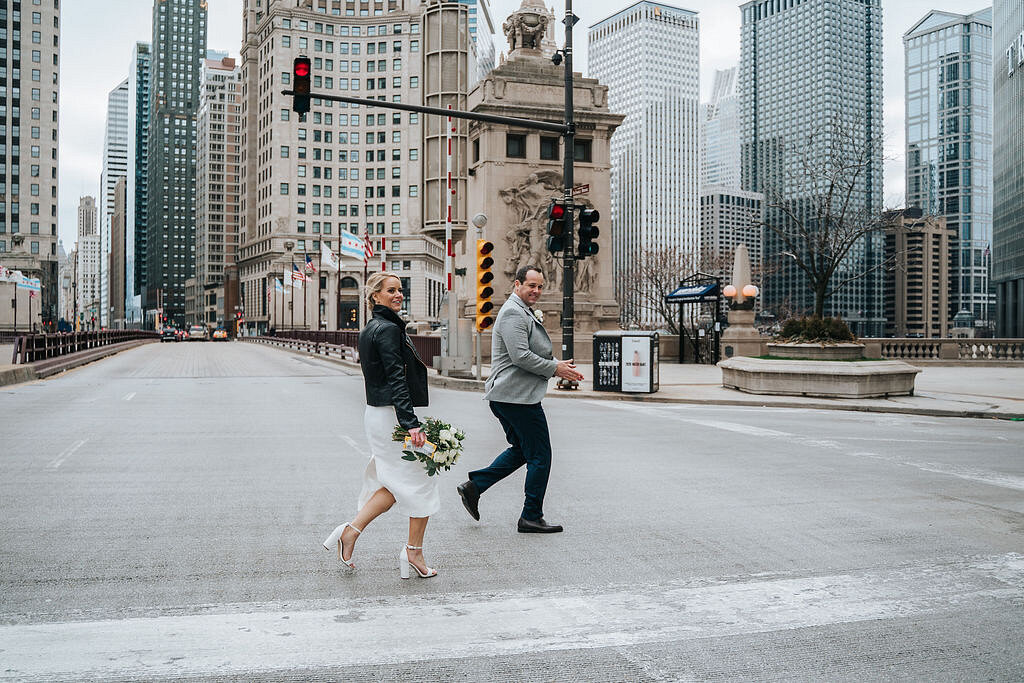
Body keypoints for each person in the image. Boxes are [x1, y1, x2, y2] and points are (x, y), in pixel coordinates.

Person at [322, 272, 438, 579]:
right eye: (391, 290)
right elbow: (396, 379)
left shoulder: (372, 327)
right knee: (422, 477)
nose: (399, 294)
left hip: (379, 414)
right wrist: (411, 424)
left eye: (400, 289)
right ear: (375, 296)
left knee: (395, 482)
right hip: (391, 416)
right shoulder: (387, 329)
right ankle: (412, 551)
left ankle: (352, 531)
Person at [457, 265, 584, 533]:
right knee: (541, 455)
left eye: (539, 286)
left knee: (523, 451)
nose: (536, 291)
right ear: (517, 285)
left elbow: (527, 352)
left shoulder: (522, 310)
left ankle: (475, 486)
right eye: (531, 286)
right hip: (516, 398)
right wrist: (555, 369)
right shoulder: (514, 312)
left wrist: (557, 364)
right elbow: (520, 356)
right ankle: (531, 516)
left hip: (512, 396)